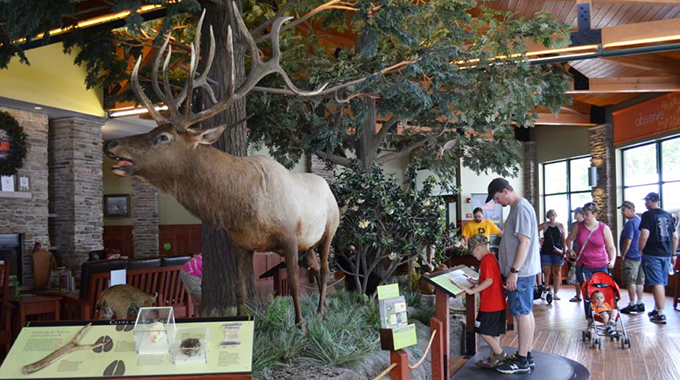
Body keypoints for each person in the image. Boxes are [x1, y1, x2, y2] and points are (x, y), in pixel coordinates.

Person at [485, 178, 540, 374]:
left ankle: (523, 360)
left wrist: (514, 272)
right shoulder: (517, 208)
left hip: (521, 273)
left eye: (497, 197)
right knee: (525, 312)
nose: (496, 201)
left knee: (521, 314)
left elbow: (524, 243)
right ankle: (527, 354)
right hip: (522, 272)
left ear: (505, 191)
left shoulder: (521, 208)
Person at [460, 234, 507, 369]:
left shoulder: (486, 260)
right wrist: (476, 281)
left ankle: (499, 354)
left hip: (491, 304)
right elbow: (490, 278)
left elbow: (489, 281)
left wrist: (472, 290)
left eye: (473, 251)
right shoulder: (491, 258)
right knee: (493, 332)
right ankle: (493, 360)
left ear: (478, 248)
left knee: (481, 329)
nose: (473, 255)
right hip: (498, 303)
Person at [565, 202, 616, 319]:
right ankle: (590, 320)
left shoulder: (603, 228)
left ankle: (604, 317)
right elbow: (569, 239)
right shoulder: (579, 227)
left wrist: (612, 261)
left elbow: (611, 247)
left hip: (601, 265)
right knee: (587, 294)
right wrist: (570, 250)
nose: (584, 217)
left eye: (587, 214)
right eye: (583, 214)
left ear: (595, 214)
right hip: (583, 266)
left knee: (601, 293)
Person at [638, 192, 678, 324]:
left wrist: (641, 250)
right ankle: (656, 308)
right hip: (666, 254)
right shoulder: (667, 215)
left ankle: (661, 313)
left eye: (646, 201)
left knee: (657, 283)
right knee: (661, 281)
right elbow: (675, 237)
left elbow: (644, 235)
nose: (645, 203)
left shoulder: (648, 215)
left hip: (652, 253)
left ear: (650, 201)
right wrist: (672, 254)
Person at [617, 201, 644, 314]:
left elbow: (628, 240)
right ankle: (639, 303)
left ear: (630, 209)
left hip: (631, 256)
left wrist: (623, 255)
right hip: (640, 256)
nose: (622, 213)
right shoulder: (640, 221)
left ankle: (632, 304)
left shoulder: (630, 223)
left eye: (623, 210)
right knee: (639, 281)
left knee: (631, 281)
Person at [538, 209, 567, 300]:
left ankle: (556, 292)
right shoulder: (545, 225)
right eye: (549, 216)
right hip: (546, 251)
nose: (551, 217)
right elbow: (534, 230)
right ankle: (545, 291)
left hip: (557, 251)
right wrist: (539, 239)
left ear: (555, 216)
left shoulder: (560, 226)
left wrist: (564, 251)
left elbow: (563, 240)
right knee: (546, 273)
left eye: (552, 215)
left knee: (557, 273)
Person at [568, 208, 585, 302]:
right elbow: (569, 238)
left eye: (576, 213)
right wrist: (569, 251)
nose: (574, 214)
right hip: (575, 252)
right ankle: (578, 295)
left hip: (585, 253)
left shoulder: (586, 224)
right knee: (576, 275)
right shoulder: (573, 225)